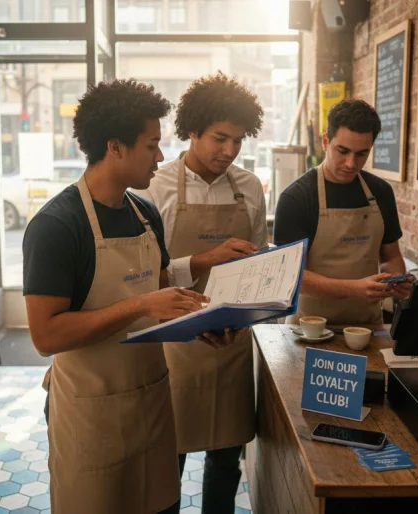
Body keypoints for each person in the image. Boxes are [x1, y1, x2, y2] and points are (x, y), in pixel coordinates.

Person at [22, 79, 232, 514]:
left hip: (152, 401)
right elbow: (45, 336)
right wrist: (140, 306)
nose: (160, 156)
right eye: (151, 144)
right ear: (115, 147)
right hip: (89, 411)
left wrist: (197, 325)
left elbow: (157, 294)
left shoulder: (145, 213)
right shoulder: (57, 226)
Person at [133, 72, 266, 514]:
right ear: (192, 131)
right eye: (219, 139)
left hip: (231, 341)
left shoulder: (249, 188)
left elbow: (259, 262)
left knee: (227, 460)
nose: (228, 152)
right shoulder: (156, 187)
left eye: (238, 141)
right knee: (168, 455)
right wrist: (202, 261)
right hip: (175, 342)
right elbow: (142, 275)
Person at [273, 99, 411, 326]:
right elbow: (292, 276)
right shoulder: (297, 198)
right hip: (308, 329)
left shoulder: (380, 192)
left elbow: (391, 256)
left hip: (367, 327)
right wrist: (355, 289)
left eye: (361, 154)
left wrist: (395, 280)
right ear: (326, 141)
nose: (350, 163)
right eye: (343, 151)